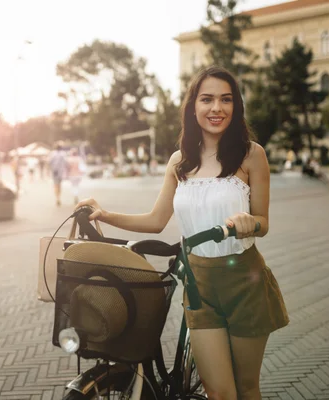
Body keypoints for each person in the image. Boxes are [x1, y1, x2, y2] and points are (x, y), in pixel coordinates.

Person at [76, 66, 289, 400]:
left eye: (226, 100)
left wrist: (251, 222)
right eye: (207, 99)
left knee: (246, 388)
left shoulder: (252, 155)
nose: (216, 108)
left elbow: (264, 222)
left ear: (236, 107)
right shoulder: (180, 161)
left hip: (244, 283)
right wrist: (107, 214)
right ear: (194, 107)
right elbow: (156, 220)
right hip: (199, 285)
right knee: (219, 393)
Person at [49, 142, 68, 206]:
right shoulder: (63, 154)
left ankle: (57, 198)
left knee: (55, 185)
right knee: (59, 185)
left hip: (54, 171)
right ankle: (59, 197)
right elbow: (66, 163)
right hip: (61, 172)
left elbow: (49, 162)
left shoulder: (52, 153)